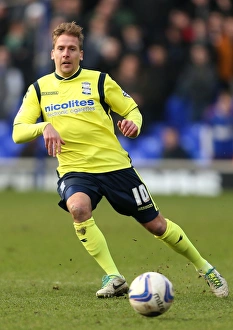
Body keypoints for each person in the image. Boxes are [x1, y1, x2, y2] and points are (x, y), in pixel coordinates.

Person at [12, 21, 228, 298]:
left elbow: (132, 110)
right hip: (75, 170)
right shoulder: (40, 90)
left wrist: (134, 124)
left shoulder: (99, 81)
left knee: (156, 225)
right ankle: (114, 276)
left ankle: (206, 268)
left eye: (72, 49)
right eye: (61, 49)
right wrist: (44, 126)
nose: (66, 54)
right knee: (77, 208)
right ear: (52, 53)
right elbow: (18, 132)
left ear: (82, 54)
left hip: (116, 167)